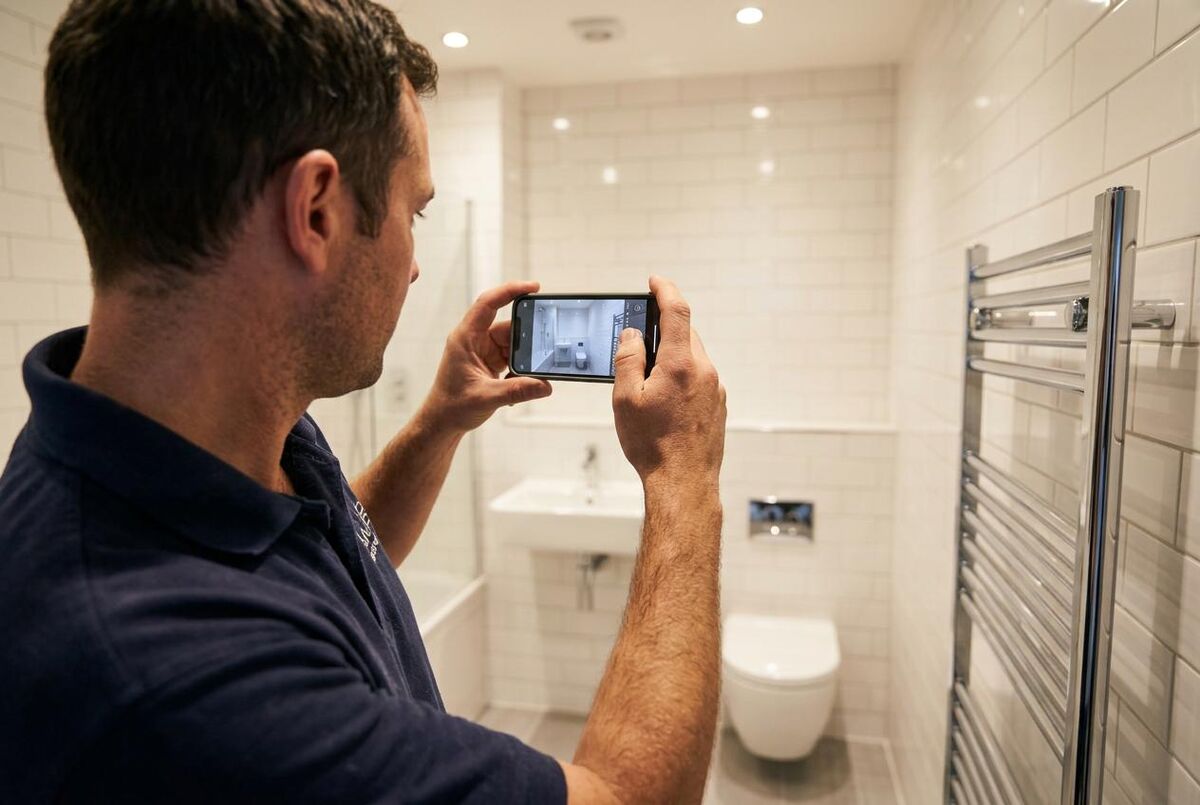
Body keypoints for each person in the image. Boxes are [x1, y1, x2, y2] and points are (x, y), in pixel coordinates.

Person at [0, 1, 727, 802]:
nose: (415, 263)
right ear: (315, 209)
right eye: (414, 211)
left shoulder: (218, 422)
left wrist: (440, 420)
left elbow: (335, 557)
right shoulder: (193, 682)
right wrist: (683, 476)